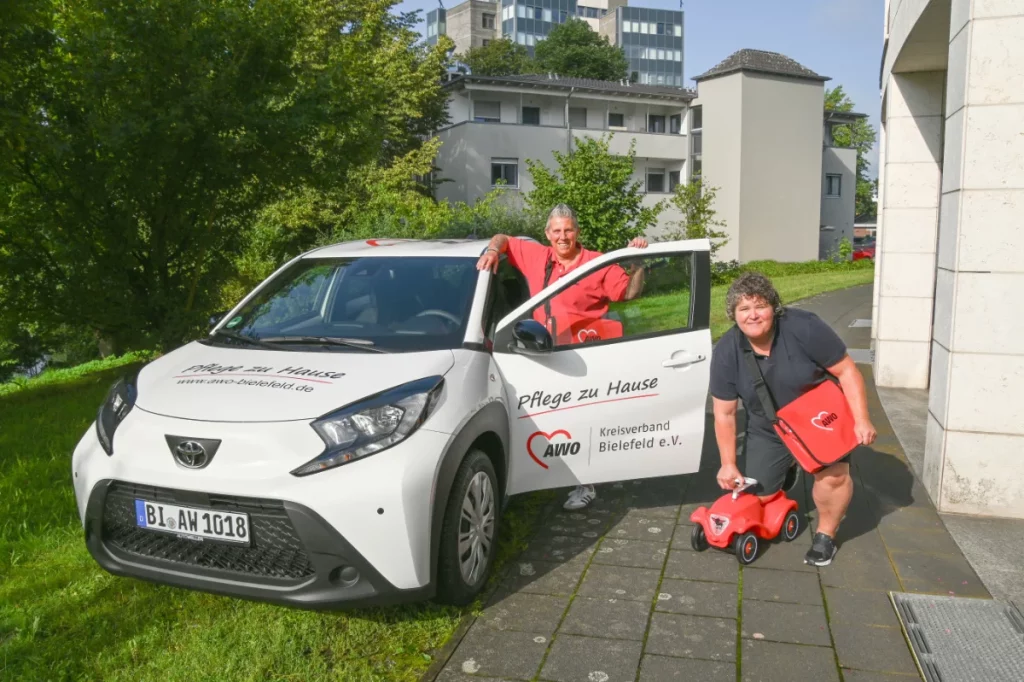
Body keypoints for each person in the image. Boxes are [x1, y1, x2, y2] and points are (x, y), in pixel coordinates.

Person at [477, 203, 648, 510]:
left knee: (582, 419)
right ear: (547, 234)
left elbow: (630, 294)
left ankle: (586, 483)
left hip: (582, 355)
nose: (563, 236)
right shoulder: (538, 255)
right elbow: (502, 237)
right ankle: (545, 473)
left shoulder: (598, 263)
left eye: (568, 229)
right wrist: (491, 251)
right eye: (557, 230)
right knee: (547, 419)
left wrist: (637, 263)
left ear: (577, 232)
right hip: (541, 351)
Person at [708, 272, 876, 566]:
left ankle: (826, 534)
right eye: (743, 309)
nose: (753, 315)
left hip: (817, 418)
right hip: (768, 426)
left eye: (760, 306)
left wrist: (862, 420)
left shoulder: (804, 327)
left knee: (833, 477)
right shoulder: (726, 352)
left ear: (774, 307)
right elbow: (724, 412)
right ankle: (787, 469)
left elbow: (847, 372)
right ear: (733, 315)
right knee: (760, 495)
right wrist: (728, 463)